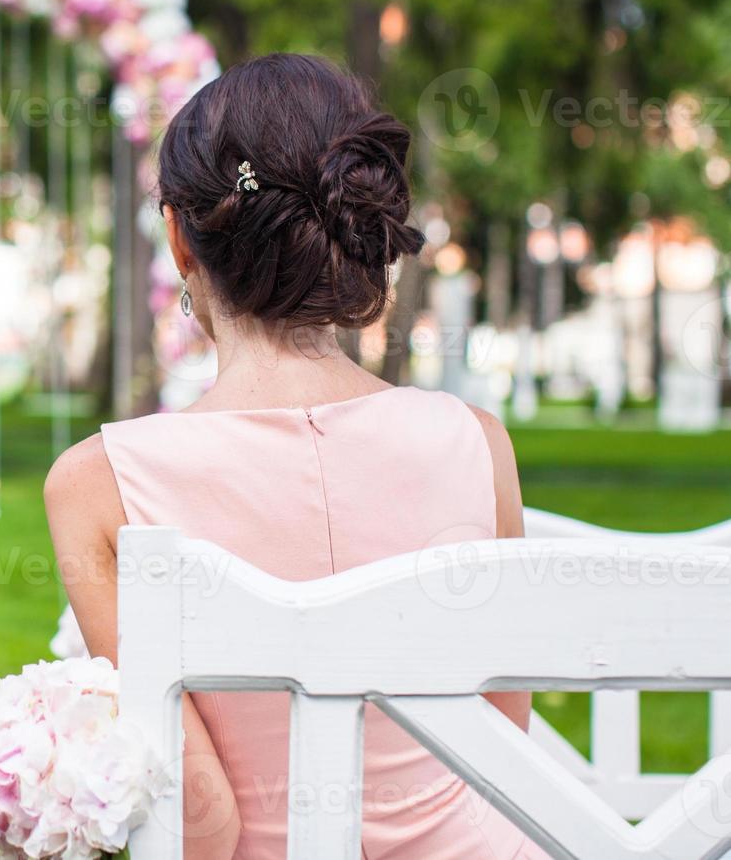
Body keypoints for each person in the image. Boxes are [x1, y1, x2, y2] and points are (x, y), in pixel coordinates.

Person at [45, 54, 542, 859]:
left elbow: (202, 827)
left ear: (179, 236)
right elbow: (504, 749)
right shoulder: (479, 444)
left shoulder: (96, 485)